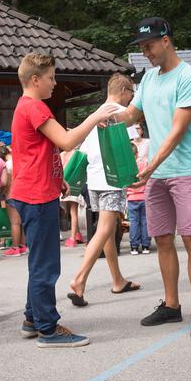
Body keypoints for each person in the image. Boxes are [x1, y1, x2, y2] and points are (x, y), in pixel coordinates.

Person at [10, 52, 118, 348]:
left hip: (35, 190)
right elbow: (67, 141)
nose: (55, 83)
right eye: (51, 78)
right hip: (35, 195)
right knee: (45, 265)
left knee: (39, 262)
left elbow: (37, 151)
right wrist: (96, 116)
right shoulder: (34, 108)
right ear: (35, 80)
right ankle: (48, 329)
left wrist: (58, 178)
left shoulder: (29, 107)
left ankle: (33, 318)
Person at [116, 17, 191, 339]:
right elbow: (131, 113)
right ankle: (172, 305)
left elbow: (176, 131)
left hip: (184, 170)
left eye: (149, 46)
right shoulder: (149, 80)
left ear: (166, 40)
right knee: (163, 240)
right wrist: (107, 115)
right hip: (156, 173)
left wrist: (150, 166)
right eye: (142, 48)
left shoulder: (189, 77)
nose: (146, 53)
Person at [67, 73, 142, 307]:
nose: (132, 98)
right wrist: (132, 177)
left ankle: (117, 279)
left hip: (94, 180)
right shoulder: (120, 113)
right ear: (123, 91)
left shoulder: (97, 112)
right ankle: (79, 279)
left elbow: (86, 149)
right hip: (112, 179)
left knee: (106, 230)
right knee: (105, 230)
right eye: (131, 93)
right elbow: (127, 150)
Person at [0, 143, 27, 257]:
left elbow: (6, 182)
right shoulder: (21, 161)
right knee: (22, 222)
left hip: (12, 194)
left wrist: (3, 192)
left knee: (14, 223)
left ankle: (15, 248)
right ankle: (23, 246)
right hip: (24, 194)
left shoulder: (7, 165)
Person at [127, 142, 150, 255]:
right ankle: (146, 245)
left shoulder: (126, 166)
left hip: (131, 198)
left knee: (134, 222)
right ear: (137, 153)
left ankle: (134, 246)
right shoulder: (143, 164)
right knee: (145, 221)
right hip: (144, 196)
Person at [60, 146, 85, 247]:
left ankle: (72, 238)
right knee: (72, 211)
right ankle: (76, 234)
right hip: (75, 184)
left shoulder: (62, 154)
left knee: (70, 211)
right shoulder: (77, 154)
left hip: (64, 185)